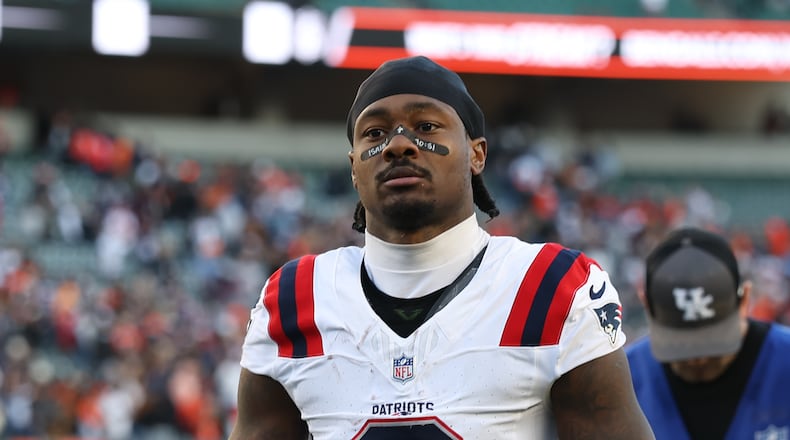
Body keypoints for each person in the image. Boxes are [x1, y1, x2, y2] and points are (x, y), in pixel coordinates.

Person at [230, 55, 654, 439]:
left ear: (476, 154)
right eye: (375, 133)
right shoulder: (292, 298)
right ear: (354, 168)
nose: (398, 144)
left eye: (426, 127)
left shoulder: (552, 286)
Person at [626, 227, 790, 440]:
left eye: (713, 339)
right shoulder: (625, 381)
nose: (697, 358)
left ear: (745, 301)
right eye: (680, 343)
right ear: (647, 306)